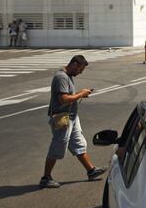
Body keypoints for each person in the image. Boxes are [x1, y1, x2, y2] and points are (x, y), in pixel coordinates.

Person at [40, 55, 106, 188]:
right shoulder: (61, 77)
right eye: (81, 69)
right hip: (62, 118)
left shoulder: (68, 76)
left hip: (72, 117)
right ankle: (45, 178)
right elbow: (63, 99)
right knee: (58, 145)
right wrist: (81, 94)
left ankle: (91, 170)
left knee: (78, 143)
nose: (81, 72)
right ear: (74, 64)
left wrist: (81, 94)